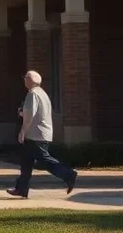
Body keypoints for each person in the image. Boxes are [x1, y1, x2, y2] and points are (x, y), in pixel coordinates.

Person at [7, 70, 78, 199]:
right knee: (26, 162)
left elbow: (30, 115)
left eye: (25, 77)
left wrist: (22, 131)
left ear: (29, 80)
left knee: (43, 159)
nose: (24, 80)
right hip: (41, 132)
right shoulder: (42, 93)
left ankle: (68, 174)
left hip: (35, 134)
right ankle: (21, 188)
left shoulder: (32, 93)